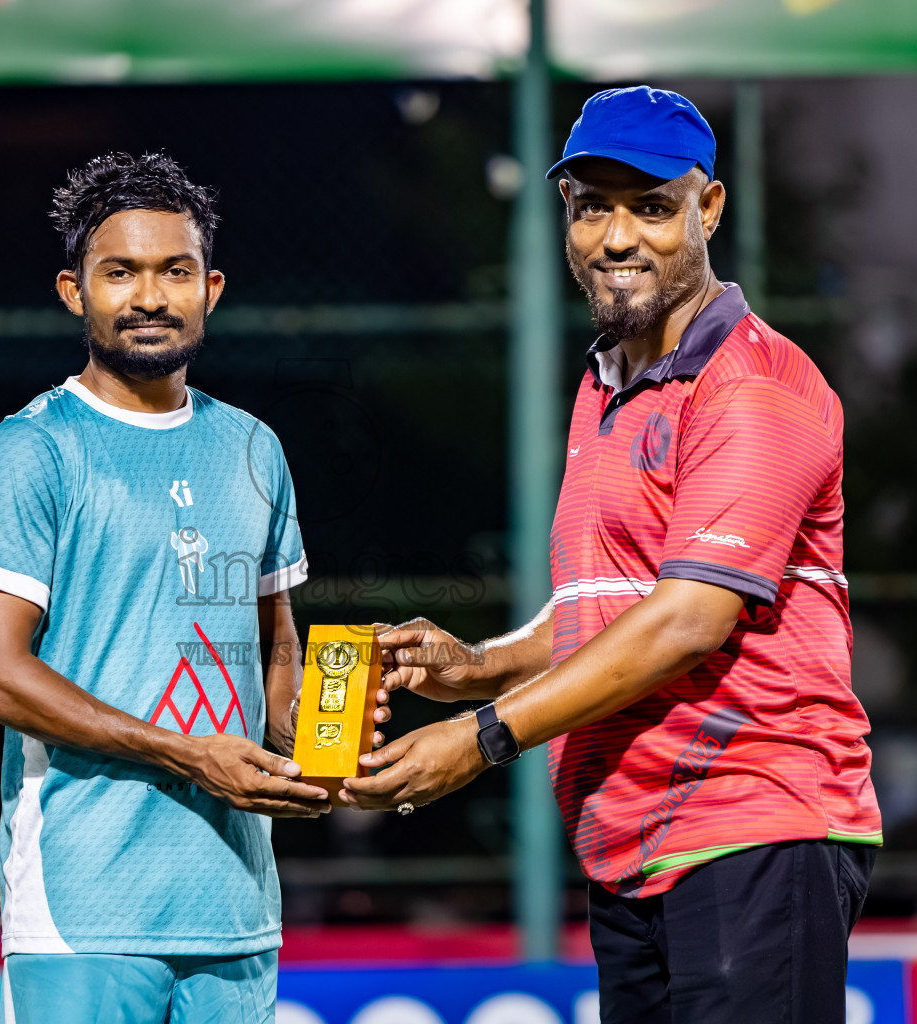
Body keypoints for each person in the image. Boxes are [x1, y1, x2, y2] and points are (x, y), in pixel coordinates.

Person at [345, 87, 882, 1023]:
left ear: (709, 207)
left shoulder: (751, 383)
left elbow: (685, 621)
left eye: (652, 206)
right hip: (633, 846)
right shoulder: (609, 381)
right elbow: (617, 599)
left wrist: (482, 736)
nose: (618, 237)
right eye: (594, 206)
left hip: (753, 826)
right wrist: (480, 666)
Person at [0, 152, 366, 1024]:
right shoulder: (33, 449)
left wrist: (326, 737)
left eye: (175, 271)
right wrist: (186, 752)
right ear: (74, 291)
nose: (150, 296)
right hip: (83, 912)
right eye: (121, 273)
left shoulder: (254, 448)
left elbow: (275, 648)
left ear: (210, 289)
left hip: (235, 911)